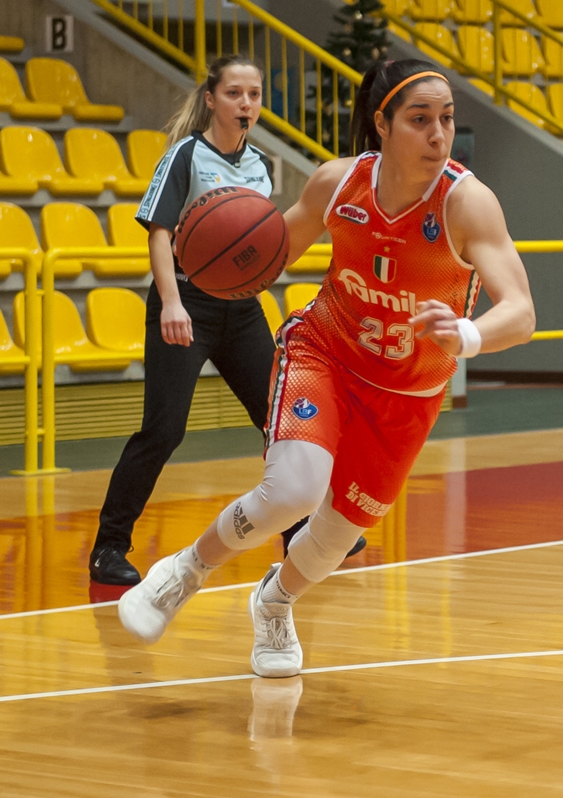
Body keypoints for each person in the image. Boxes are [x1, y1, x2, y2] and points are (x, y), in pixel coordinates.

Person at [116, 59, 536, 678]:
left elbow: (522, 312)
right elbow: (264, 253)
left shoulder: (467, 203)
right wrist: (205, 258)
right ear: (383, 125)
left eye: (446, 119)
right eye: (419, 120)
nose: (438, 135)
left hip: (408, 392)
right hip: (325, 354)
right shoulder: (338, 186)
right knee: (294, 490)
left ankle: (274, 602)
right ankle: (184, 570)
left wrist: (468, 332)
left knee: (336, 538)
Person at [87, 55, 364, 587]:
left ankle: (299, 530)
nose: (247, 104)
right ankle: (108, 547)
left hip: (240, 307)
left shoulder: (259, 164)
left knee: (279, 419)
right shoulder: (186, 155)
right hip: (185, 301)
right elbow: (160, 233)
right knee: (163, 430)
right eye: (235, 94)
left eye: (254, 95)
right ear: (211, 99)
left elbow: (254, 244)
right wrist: (171, 302)